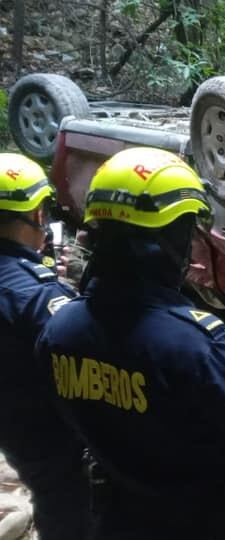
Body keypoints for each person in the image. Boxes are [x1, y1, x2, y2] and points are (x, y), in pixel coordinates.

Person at [34, 148, 225, 540]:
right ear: (167, 238)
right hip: (213, 523)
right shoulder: (194, 345)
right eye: (186, 232)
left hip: (121, 517)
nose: (190, 248)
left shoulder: (59, 331)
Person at [0, 153, 89, 540]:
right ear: (36, 216)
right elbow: (91, 349)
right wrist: (86, 291)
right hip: (52, 439)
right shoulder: (38, 298)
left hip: (16, 433)